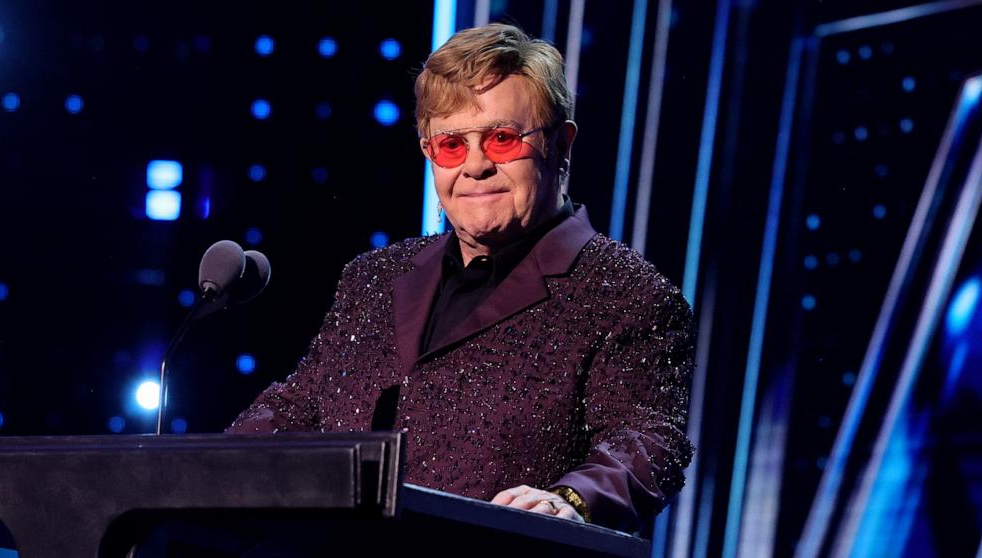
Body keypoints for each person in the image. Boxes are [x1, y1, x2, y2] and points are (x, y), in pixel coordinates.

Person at [228, 23, 695, 536]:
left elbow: (650, 436)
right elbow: (299, 406)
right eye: (450, 145)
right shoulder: (374, 280)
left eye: (501, 139)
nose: (475, 166)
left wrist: (570, 501)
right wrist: (200, 467)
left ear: (561, 144)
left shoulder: (628, 293)